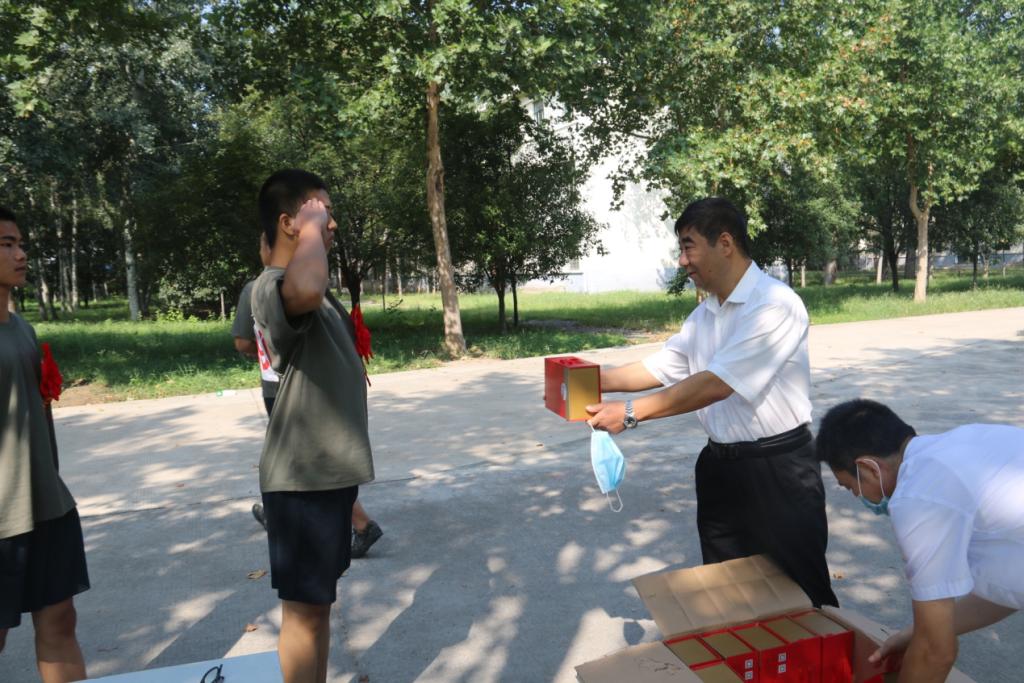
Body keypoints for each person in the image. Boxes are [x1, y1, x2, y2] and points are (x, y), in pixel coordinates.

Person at [586, 197, 838, 608]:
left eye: (688, 247)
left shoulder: (775, 305)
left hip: (778, 470)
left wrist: (629, 414)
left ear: (725, 243)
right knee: (727, 593)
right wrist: (584, 379)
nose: (682, 261)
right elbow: (659, 368)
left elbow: (718, 384)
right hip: (720, 468)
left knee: (802, 593)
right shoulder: (704, 316)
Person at [250, 170, 376, 683]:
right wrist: (310, 230)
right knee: (303, 613)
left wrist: (312, 229)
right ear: (289, 222)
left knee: (318, 607)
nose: (331, 223)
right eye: (321, 211)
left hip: (326, 475)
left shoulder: (315, 293)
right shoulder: (272, 286)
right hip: (301, 478)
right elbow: (302, 286)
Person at [816, 399, 1023, 681]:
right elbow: (1006, 587)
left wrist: (926, 639)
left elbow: (935, 652)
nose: (857, 496)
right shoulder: (969, 442)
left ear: (869, 468)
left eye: (851, 486)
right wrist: (914, 633)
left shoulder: (917, 499)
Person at [233, 236, 384, 558]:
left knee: (297, 461)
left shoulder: (259, 288)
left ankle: (355, 524)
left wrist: (272, 343)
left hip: (280, 386)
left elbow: (242, 342)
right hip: (318, 385)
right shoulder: (313, 290)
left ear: (270, 247)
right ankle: (286, 515)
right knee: (312, 457)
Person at [0, 206, 89, 682]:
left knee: (59, 620)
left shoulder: (23, 329)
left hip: (45, 503)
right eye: (6, 245)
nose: (21, 254)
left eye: (20, 244)